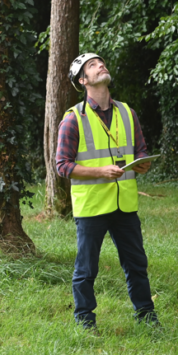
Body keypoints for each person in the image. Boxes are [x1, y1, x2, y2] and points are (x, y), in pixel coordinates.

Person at [56, 53, 158, 330]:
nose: (100, 65)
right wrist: (101, 171)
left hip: (124, 204)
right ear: (83, 80)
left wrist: (143, 163)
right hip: (92, 206)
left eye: (101, 62)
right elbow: (62, 166)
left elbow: (140, 151)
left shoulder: (127, 113)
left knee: (137, 265)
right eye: (92, 65)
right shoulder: (73, 119)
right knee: (86, 270)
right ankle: (85, 322)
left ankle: (146, 317)